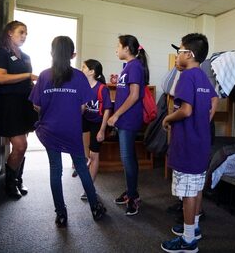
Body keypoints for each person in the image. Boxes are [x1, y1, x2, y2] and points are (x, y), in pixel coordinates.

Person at [29, 36, 106, 227]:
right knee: (82, 168)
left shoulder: (44, 75)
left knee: (55, 170)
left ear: (51, 53)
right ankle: (95, 209)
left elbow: (36, 106)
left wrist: (52, 107)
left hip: (50, 130)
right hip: (72, 130)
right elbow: (83, 107)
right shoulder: (79, 77)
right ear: (73, 55)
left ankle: (61, 214)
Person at [161, 33, 218, 253]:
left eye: (179, 51)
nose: (177, 56)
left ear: (190, 54)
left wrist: (167, 118)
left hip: (186, 146)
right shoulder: (202, 76)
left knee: (187, 194)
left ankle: (188, 241)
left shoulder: (186, 76)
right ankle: (192, 229)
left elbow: (185, 110)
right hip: (200, 143)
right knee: (195, 189)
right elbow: (214, 98)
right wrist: (204, 120)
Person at [0, 20, 38, 199]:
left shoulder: (26, 56)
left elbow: (29, 82)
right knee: (21, 146)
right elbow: (1, 78)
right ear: (10, 33)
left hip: (25, 104)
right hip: (9, 105)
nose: (24, 36)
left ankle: (17, 179)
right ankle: (9, 184)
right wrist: (28, 75)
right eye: (21, 32)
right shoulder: (2, 53)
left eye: (26, 33)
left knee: (22, 147)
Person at [107, 35, 149, 215]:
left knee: (127, 158)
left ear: (127, 49)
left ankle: (133, 196)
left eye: (118, 46)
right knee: (128, 157)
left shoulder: (135, 67)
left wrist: (116, 114)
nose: (116, 49)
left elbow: (134, 95)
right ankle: (131, 191)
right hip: (125, 118)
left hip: (129, 119)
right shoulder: (128, 67)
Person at [80, 59, 112, 200]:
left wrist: (102, 130)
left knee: (94, 155)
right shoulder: (81, 86)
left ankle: (89, 188)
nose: (81, 69)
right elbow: (80, 109)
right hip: (84, 120)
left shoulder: (102, 88)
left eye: (84, 67)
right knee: (85, 154)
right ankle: (86, 161)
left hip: (97, 123)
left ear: (92, 71)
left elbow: (106, 110)